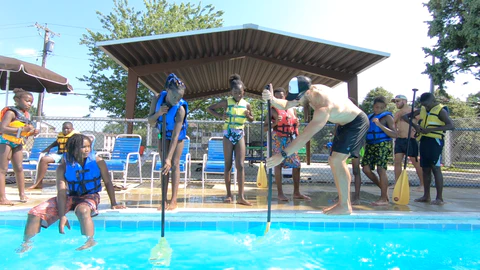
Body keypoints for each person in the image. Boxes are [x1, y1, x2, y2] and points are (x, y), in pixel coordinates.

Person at [262, 76, 369, 215]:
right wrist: (272, 99)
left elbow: (305, 136)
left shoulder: (323, 108)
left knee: (337, 160)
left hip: (356, 123)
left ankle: (345, 205)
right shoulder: (308, 91)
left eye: (297, 98)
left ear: (306, 93)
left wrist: (282, 155)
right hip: (343, 124)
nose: (296, 101)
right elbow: (286, 104)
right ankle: (343, 202)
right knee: (333, 160)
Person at [18, 134, 125, 253]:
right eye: (83, 147)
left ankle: (89, 241)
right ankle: (27, 244)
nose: (87, 150)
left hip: (90, 195)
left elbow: (108, 182)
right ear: (73, 148)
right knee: (34, 213)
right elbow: (62, 192)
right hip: (70, 196)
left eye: (89, 147)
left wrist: (113, 203)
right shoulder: (63, 167)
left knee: (83, 210)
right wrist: (62, 215)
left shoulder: (98, 162)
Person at [207, 74, 254, 206]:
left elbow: (252, 119)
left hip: (239, 133)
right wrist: (220, 115)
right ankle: (228, 194)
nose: (238, 95)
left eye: (240, 92)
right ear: (231, 92)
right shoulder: (226, 102)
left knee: (240, 165)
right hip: (228, 134)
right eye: (235, 92)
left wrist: (249, 115)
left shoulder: (247, 104)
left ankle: (241, 197)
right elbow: (209, 108)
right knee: (228, 164)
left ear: (243, 92)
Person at [402, 92, 454, 205]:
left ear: (433, 101)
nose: (426, 107)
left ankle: (439, 198)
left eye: (427, 104)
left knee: (435, 168)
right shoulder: (423, 109)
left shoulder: (441, 111)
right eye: (424, 105)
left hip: (435, 141)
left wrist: (429, 130)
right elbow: (405, 117)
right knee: (425, 169)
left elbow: (451, 125)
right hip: (424, 141)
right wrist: (415, 126)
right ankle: (426, 196)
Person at [147, 73, 188, 211]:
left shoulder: (180, 110)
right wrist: (159, 113)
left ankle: (174, 199)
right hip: (163, 134)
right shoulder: (157, 98)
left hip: (178, 137)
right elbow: (150, 121)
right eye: (175, 96)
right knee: (164, 166)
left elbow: (176, 136)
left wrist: (169, 158)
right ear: (168, 91)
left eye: (180, 97)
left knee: (174, 164)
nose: (177, 100)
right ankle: (163, 199)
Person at [264, 87, 310, 202]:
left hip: (290, 139)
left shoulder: (292, 109)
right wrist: (275, 123)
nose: (279, 99)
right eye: (277, 97)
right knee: (278, 165)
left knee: (297, 165)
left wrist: (297, 124)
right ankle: (280, 193)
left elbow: (293, 124)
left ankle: (296, 192)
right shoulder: (272, 110)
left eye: (281, 97)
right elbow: (264, 127)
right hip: (278, 138)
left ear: (285, 97)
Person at [0, 88, 39, 205]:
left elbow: (22, 132)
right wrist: (22, 129)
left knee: (19, 168)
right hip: (5, 141)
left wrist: (31, 132)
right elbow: (2, 128)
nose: (29, 104)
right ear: (17, 100)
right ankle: (2, 198)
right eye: (27, 101)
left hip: (17, 143)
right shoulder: (11, 112)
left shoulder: (25, 115)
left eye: (31, 102)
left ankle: (22, 194)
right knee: (2, 169)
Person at [361, 96, 397, 206]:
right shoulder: (369, 117)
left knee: (381, 170)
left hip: (382, 144)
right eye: (376, 107)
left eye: (381, 108)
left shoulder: (387, 117)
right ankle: (383, 190)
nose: (378, 109)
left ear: (385, 107)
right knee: (366, 169)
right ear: (373, 106)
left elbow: (394, 134)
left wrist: (380, 125)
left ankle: (383, 199)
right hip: (370, 145)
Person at [28, 122, 79, 189]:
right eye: (64, 128)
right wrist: (48, 148)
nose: (66, 130)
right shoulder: (61, 135)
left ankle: (66, 184)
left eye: (68, 129)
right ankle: (38, 183)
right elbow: (57, 142)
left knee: (65, 160)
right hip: (60, 154)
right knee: (44, 159)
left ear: (72, 129)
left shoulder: (76, 136)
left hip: (70, 156)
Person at [391, 94, 424, 191]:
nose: (396, 103)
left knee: (415, 162)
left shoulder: (413, 110)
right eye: (395, 101)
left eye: (398, 101)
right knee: (397, 162)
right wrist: (395, 130)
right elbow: (393, 124)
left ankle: (423, 184)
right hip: (400, 140)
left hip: (411, 139)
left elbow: (421, 121)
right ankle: (397, 183)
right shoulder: (397, 113)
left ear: (404, 101)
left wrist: (417, 129)